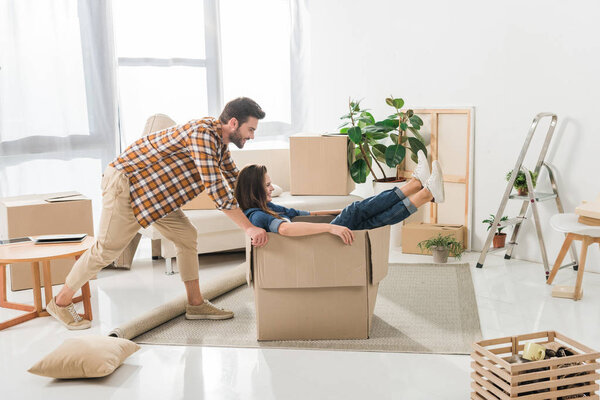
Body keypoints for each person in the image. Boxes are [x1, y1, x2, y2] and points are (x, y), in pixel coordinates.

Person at [47, 97, 269, 330]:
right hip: (127, 186)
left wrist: (265, 205)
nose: (252, 136)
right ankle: (60, 302)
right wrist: (249, 227)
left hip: (155, 197)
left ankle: (195, 304)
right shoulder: (203, 134)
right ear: (234, 123)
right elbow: (217, 190)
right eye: (250, 129)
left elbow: (235, 179)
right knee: (106, 250)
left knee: (186, 236)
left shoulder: (219, 143)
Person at [235, 151, 445, 244]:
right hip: (314, 244)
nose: (272, 188)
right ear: (254, 190)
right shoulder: (256, 216)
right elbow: (287, 229)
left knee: (369, 221)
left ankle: (426, 193)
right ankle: (417, 185)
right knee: (355, 211)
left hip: (314, 240)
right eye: (267, 185)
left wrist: (335, 215)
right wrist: (331, 227)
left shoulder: (270, 207)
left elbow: (305, 215)